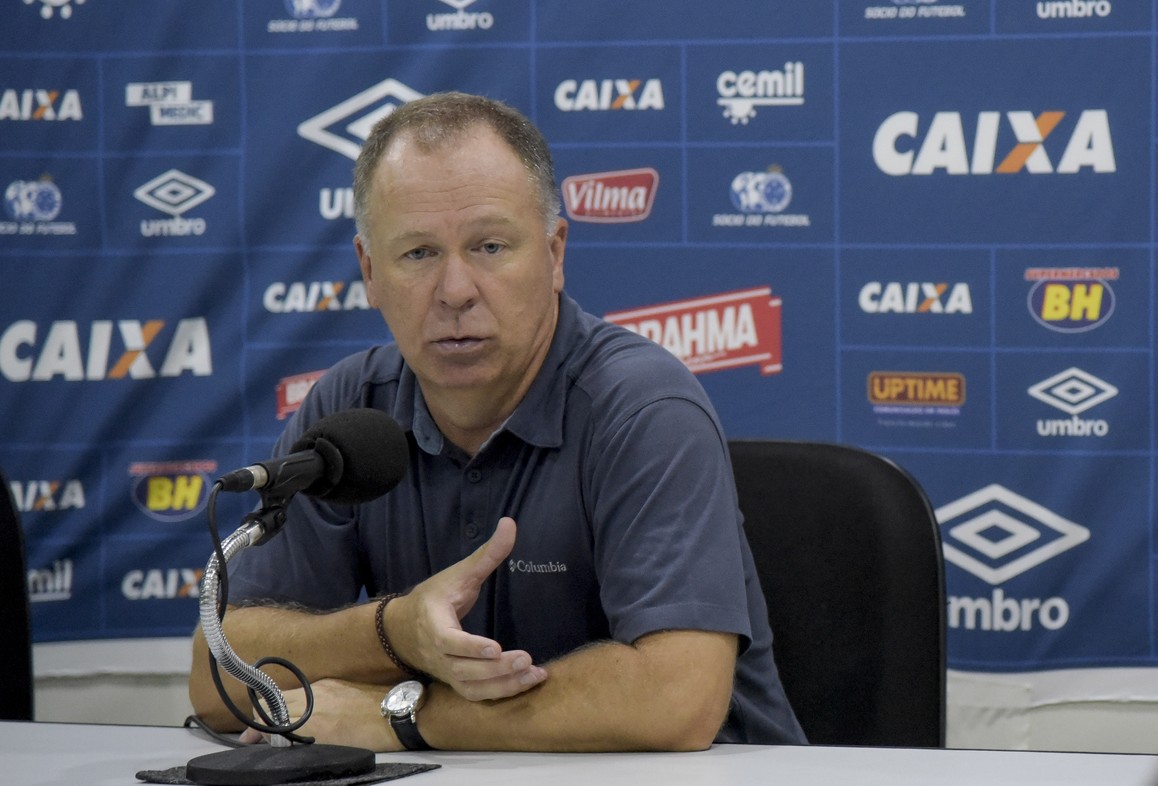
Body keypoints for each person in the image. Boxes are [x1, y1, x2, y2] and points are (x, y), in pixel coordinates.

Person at [188, 91, 806, 752]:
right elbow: (214, 679)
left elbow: (674, 700)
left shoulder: (642, 407)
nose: (456, 291)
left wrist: (400, 716)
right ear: (369, 271)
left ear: (555, 251)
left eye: (489, 246)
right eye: (418, 254)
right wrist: (394, 631)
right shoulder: (349, 414)